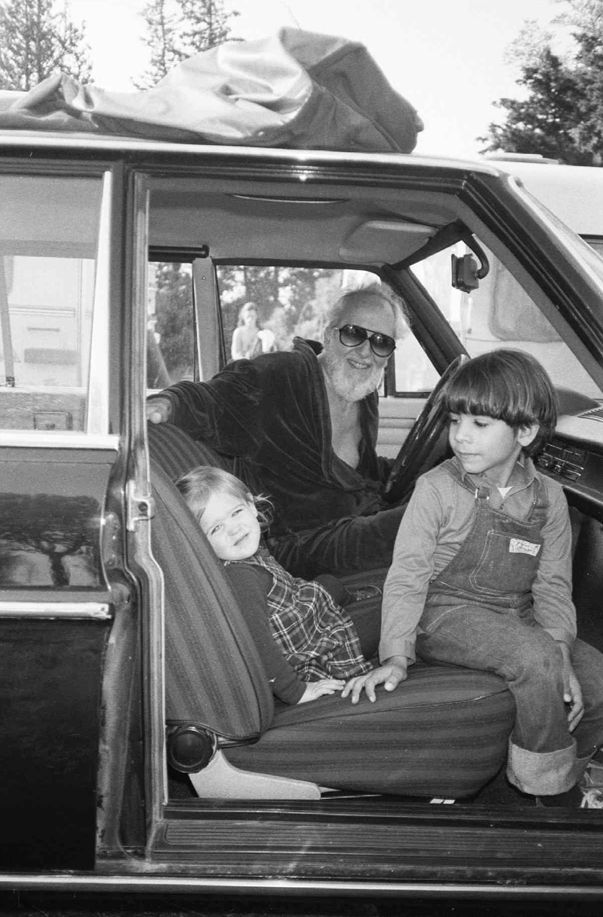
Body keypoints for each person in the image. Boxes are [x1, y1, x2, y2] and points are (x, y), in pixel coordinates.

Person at [344, 349, 603, 803]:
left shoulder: (549, 498)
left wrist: (563, 651)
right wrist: (397, 656)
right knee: (534, 657)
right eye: (455, 420)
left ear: (525, 431)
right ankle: (542, 791)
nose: (461, 436)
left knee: (596, 677)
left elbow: (552, 587)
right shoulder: (437, 488)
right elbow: (407, 577)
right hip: (443, 612)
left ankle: (572, 770)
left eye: (479, 424)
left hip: (515, 613)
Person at [147, 283, 408, 579]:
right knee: (424, 518)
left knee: (432, 499)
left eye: (381, 342)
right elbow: (211, 399)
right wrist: (170, 402)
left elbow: (363, 471)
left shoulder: (364, 393)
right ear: (329, 334)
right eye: (354, 333)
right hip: (297, 545)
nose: (365, 351)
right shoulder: (280, 376)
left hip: (355, 520)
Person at [176, 465, 377, 706]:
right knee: (392, 613)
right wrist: (296, 691)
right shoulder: (241, 578)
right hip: (313, 648)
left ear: (251, 505)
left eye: (236, 512)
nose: (234, 529)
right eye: (216, 528)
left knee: (327, 582)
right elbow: (258, 644)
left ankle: (350, 599)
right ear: (200, 543)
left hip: (302, 614)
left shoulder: (248, 555)